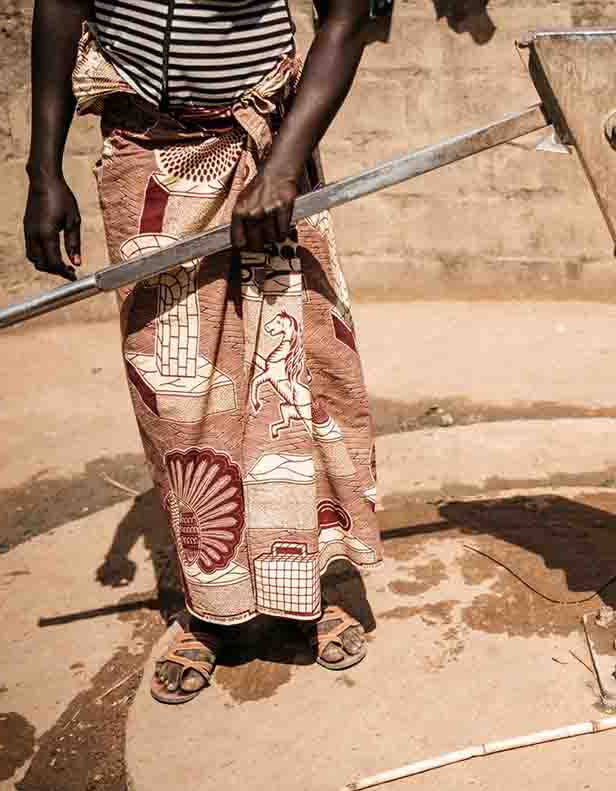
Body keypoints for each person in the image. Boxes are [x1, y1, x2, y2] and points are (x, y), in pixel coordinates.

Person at [23, 0, 392, 703]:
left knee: (289, 379)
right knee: (176, 392)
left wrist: (283, 167)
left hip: (264, 154)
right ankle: (213, 610)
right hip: (142, 154)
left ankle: (307, 589)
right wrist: (44, 169)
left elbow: (346, 18)